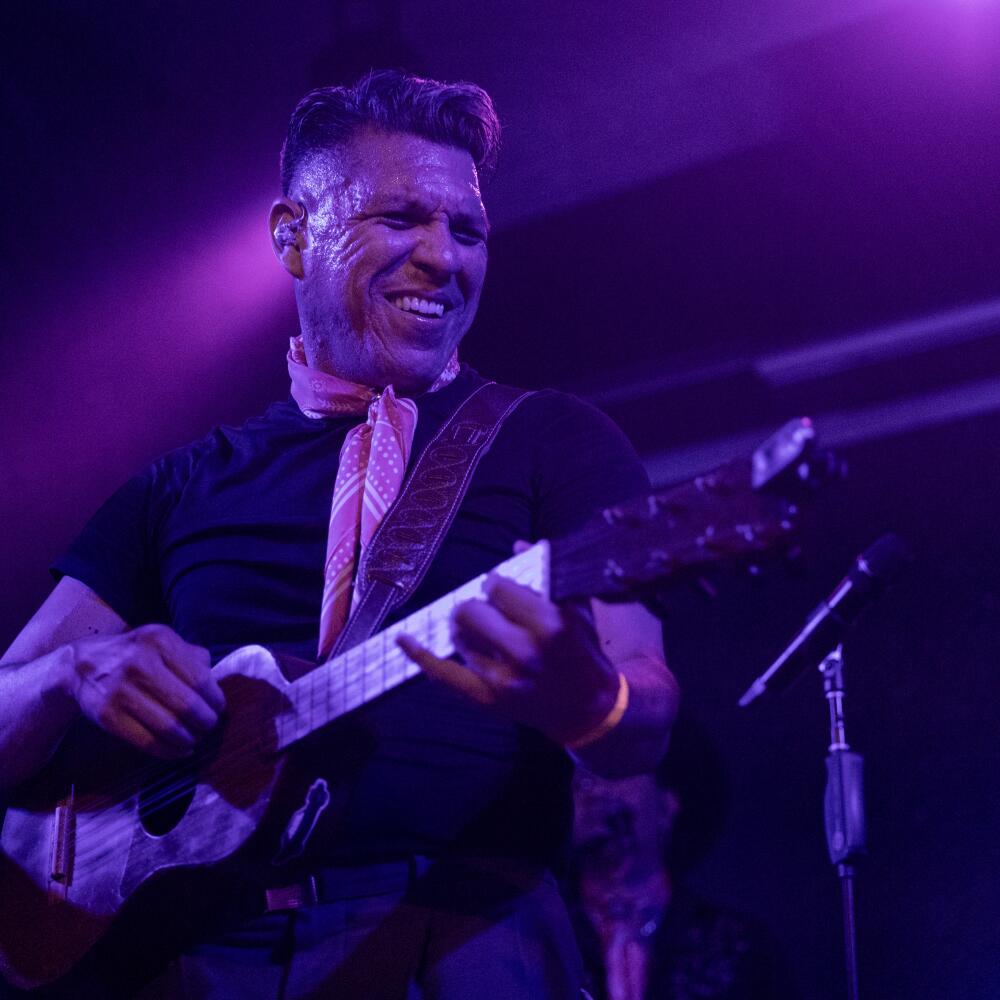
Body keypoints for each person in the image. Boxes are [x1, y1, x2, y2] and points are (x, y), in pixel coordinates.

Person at [0, 71, 678, 999]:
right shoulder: (180, 483)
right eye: (402, 219)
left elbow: (645, 715)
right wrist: (73, 675)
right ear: (292, 235)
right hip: (198, 951)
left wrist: (588, 699)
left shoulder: (552, 439)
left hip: (463, 934)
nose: (444, 258)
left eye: (468, 230)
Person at [568, 717, 796, 1000]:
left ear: (666, 807)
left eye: (615, 774)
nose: (598, 792)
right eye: (582, 783)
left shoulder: (738, 946)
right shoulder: (541, 939)